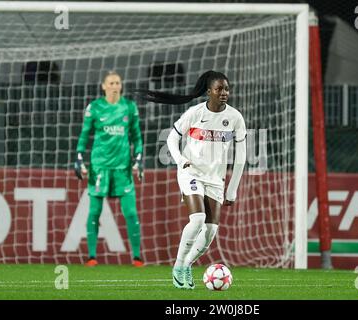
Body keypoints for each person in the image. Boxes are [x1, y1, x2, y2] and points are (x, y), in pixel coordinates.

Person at [137, 70, 246, 289]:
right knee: (197, 219)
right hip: (191, 172)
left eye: (226, 88)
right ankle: (178, 267)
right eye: (219, 89)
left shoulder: (235, 117)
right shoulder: (195, 113)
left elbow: (241, 157)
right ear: (209, 91)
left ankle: (187, 264)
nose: (224, 92)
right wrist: (180, 160)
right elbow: (171, 138)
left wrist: (232, 190)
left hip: (215, 179)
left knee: (209, 232)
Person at [74, 70, 144, 267]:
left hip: (123, 168)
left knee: (130, 212)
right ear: (103, 86)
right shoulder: (94, 108)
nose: (114, 86)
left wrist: (139, 158)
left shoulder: (129, 107)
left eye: (117, 83)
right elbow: (84, 135)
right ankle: (91, 257)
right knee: (94, 212)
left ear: (121, 86)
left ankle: (137, 257)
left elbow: (137, 136)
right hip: (99, 167)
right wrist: (79, 157)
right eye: (111, 83)